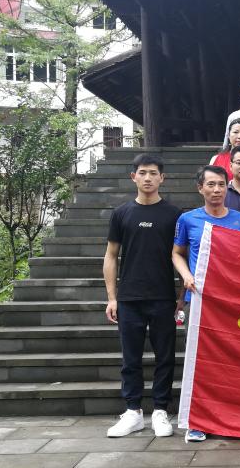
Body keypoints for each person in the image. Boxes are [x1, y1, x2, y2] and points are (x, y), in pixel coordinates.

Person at [172, 165, 240, 443]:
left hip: (232, 302)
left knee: (232, 361)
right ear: (200, 188)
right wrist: (186, 275)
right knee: (199, 362)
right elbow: (177, 253)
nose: (216, 190)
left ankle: (231, 418)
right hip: (199, 299)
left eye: (221, 185)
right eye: (211, 185)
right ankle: (197, 421)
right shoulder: (188, 219)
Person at [103, 154, 181, 438]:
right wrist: (112, 297)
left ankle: (160, 410)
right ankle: (133, 411)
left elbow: (181, 256)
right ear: (133, 176)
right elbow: (111, 256)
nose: (148, 178)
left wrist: (181, 297)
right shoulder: (122, 213)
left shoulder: (174, 215)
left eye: (153, 173)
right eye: (143, 172)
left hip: (163, 296)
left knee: (165, 356)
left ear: (162, 178)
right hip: (129, 297)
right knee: (131, 358)